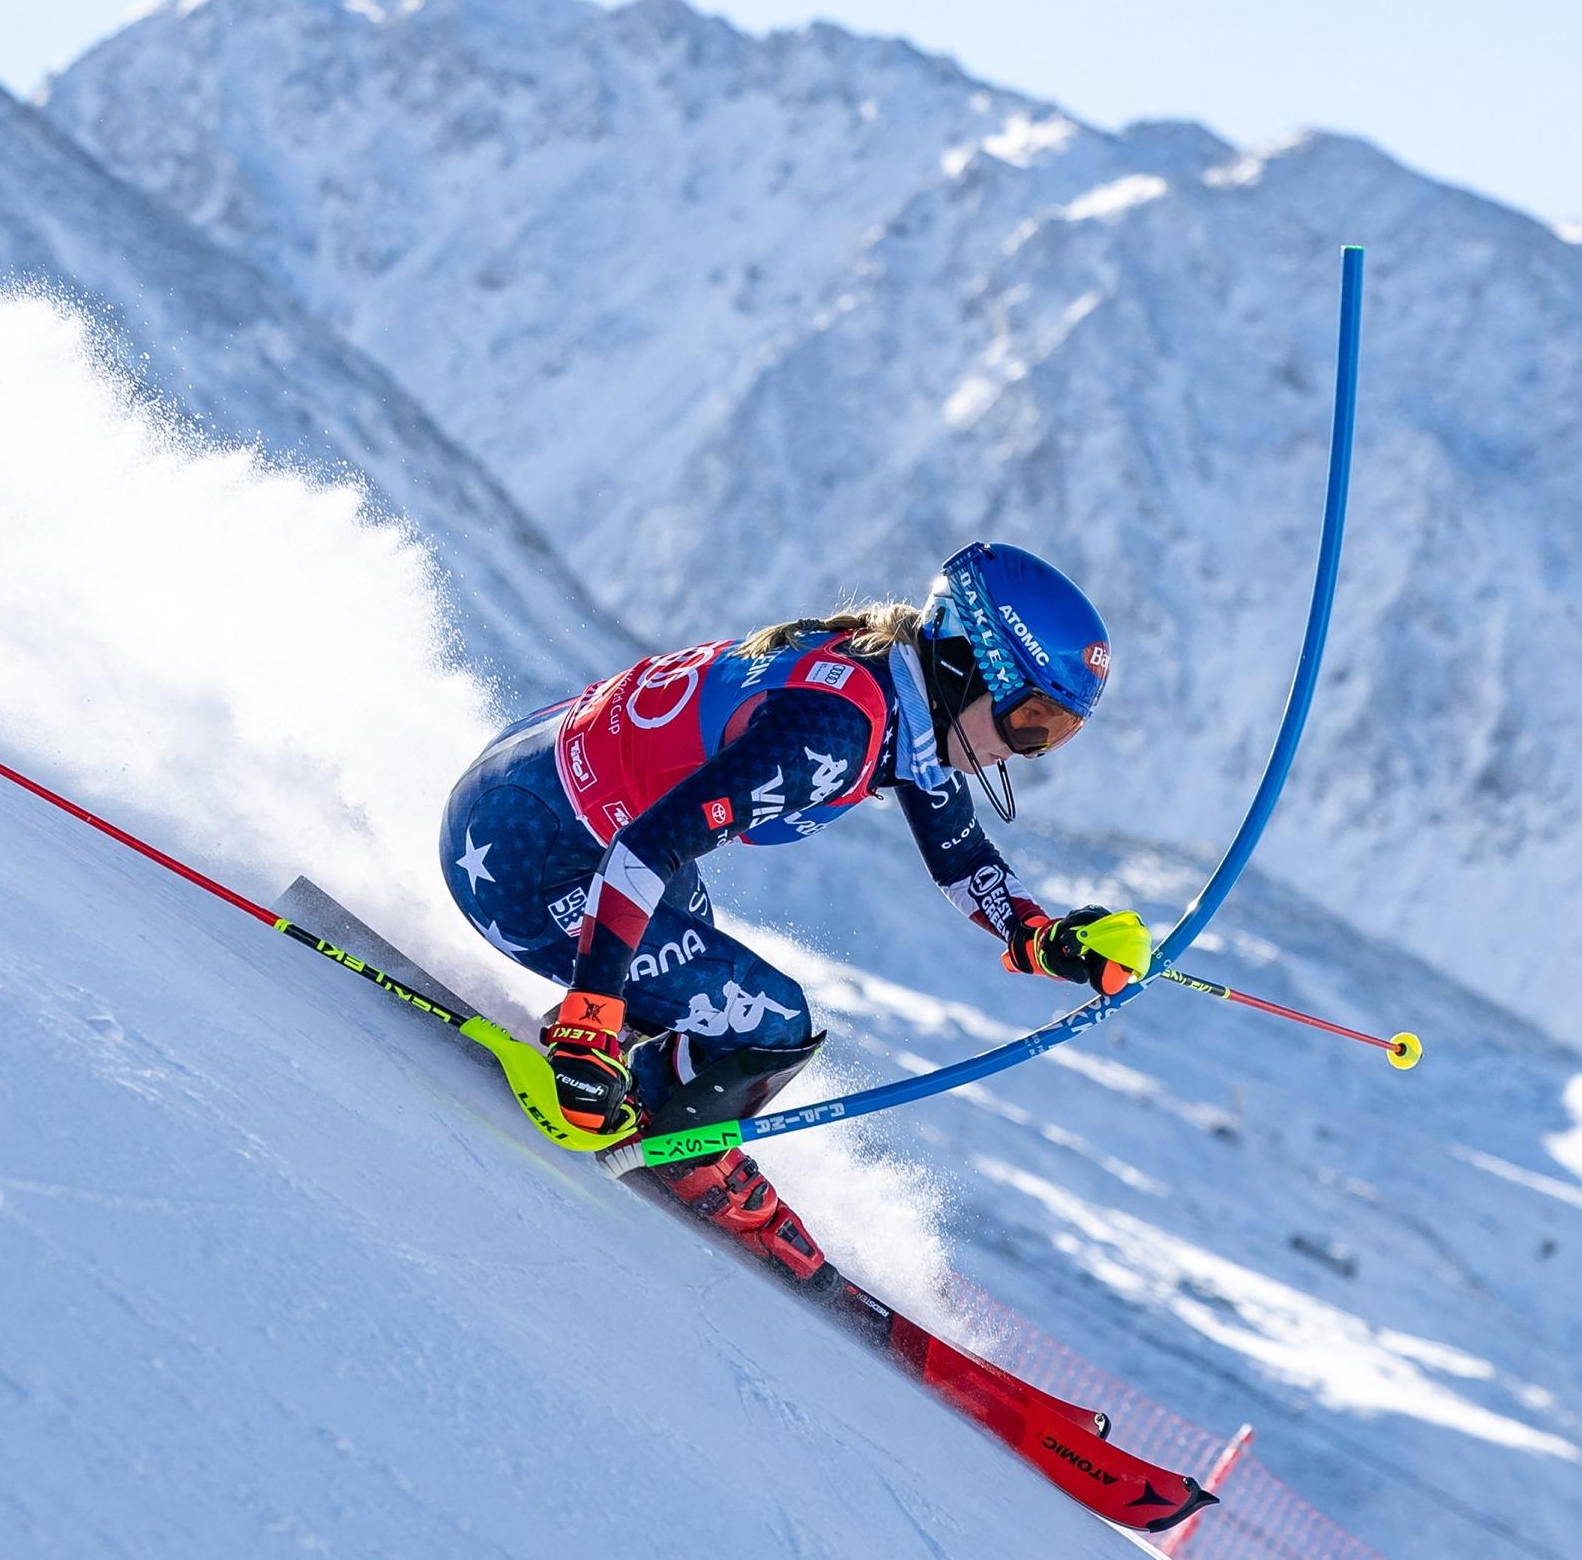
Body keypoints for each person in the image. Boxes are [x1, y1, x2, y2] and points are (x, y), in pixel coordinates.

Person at [440, 542, 1152, 1287]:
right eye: (1032, 720)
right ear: (968, 663)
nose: (1028, 751)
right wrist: (591, 1015)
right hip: (525, 859)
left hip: (519, 797)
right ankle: (668, 1133)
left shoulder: (890, 689)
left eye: (1056, 733)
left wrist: (1043, 937)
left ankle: (615, 1045)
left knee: (705, 976)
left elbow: (962, 855)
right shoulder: (834, 733)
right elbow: (644, 849)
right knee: (772, 1022)